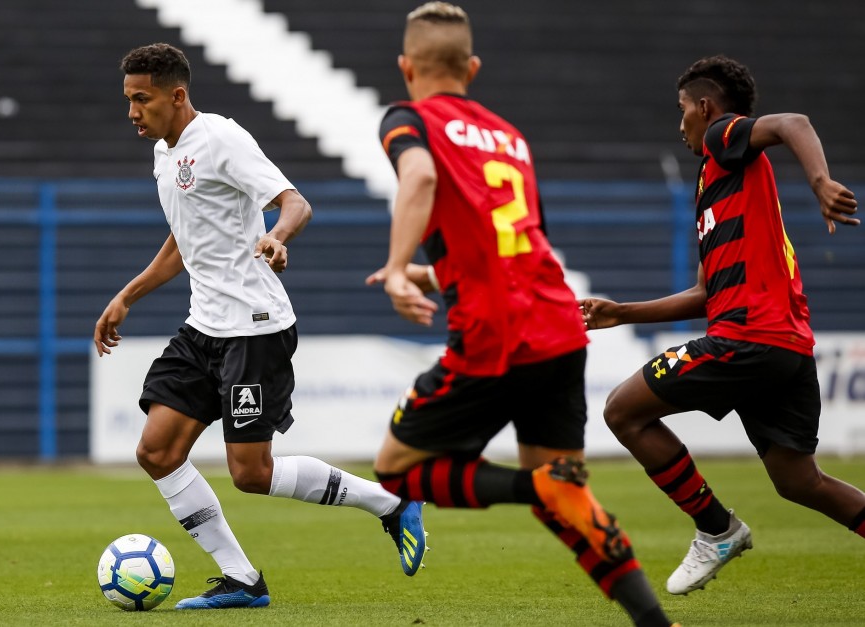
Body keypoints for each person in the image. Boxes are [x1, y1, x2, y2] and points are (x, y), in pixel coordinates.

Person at [366, 5, 675, 627]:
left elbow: (420, 176)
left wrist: (399, 267)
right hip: (558, 327)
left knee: (396, 470)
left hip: (494, 336)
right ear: (472, 68)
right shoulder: (511, 136)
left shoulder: (409, 119)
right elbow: (514, 240)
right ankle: (653, 621)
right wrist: (434, 272)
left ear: (406, 68)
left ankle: (534, 488)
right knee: (568, 495)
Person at [94, 42, 425, 611]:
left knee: (250, 473)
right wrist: (127, 296)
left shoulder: (222, 137)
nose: (132, 112)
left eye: (141, 99)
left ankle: (391, 505)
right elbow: (184, 239)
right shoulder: (163, 154)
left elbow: (294, 203)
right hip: (203, 329)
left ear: (177, 96)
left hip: (254, 329)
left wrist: (277, 235)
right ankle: (242, 580)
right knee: (156, 451)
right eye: (128, 100)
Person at [581, 54, 864, 596]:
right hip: (784, 349)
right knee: (799, 481)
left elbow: (793, 123)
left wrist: (821, 181)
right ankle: (718, 528)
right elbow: (706, 293)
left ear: (705, 108)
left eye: (682, 110)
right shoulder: (720, 185)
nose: (680, 122)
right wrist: (623, 313)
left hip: (748, 340)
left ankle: (716, 528)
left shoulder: (719, 138)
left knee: (622, 411)